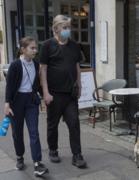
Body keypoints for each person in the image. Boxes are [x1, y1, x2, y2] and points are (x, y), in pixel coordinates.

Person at [39, 15, 86, 168]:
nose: (68, 31)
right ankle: (53, 150)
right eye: (65, 28)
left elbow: (77, 67)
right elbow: (43, 70)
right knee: (52, 125)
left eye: (68, 27)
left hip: (70, 94)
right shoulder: (47, 45)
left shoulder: (74, 45)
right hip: (54, 93)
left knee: (74, 124)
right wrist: (45, 92)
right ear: (56, 29)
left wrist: (79, 85)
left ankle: (77, 155)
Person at [4, 36, 48, 176]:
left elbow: (36, 84)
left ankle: (37, 163)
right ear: (23, 49)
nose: (35, 50)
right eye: (32, 48)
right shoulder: (15, 65)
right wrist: (7, 104)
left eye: (36, 48)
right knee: (17, 132)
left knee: (34, 132)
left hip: (31, 101)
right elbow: (10, 86)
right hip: (17, 102)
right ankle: (19, 157)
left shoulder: (36, 64)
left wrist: (44, 96)